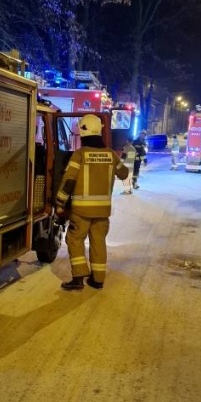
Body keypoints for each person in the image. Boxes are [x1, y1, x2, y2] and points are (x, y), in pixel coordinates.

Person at [55, 114, 129, 290]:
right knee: (98, 242)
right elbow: (124, 174)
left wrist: (60, 204)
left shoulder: (80, 155)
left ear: (83, 131)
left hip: (81, 211)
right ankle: (97, 280)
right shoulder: (111, 155)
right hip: (102, 211)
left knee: (75, 240)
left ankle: (79, 278)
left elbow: (69, 181)